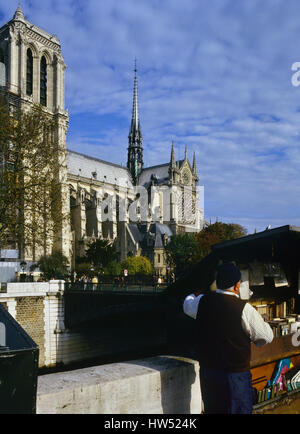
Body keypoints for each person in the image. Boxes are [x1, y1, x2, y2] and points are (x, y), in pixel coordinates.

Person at [183, 262, 274, 414]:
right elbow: (267, 336)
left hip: (210, 375)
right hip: (236, 377)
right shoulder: (244, 309)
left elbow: (187, 305)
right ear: (237, 286)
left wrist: (195, 294)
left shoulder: (202, 302)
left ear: (217, 283)